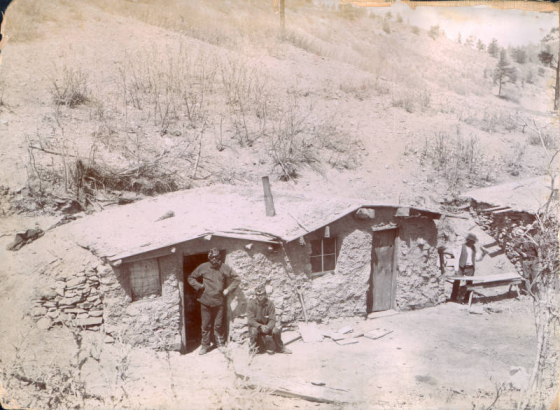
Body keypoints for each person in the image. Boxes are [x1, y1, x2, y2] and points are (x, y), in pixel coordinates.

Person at [187, 248, 240, 355]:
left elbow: (237, 279)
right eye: (212, 257)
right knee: (206, 325)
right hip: (205, 302)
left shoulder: (224, 268)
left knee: (218, 325)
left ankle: (220, 344)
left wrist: (227, 290)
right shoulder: (203, 267)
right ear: (209, 258)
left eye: (216, 257)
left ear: (219, 257)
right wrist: (199, 286)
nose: (214, 259)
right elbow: (191, 278)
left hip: (219, 302)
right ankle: (205, 346)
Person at [247, 285, 291, 355]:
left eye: (262, 294)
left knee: (276, 330)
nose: (260, 296)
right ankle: (252, 349)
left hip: (267, 326)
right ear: (256, 295)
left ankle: (280, 348)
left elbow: (272, 319)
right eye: (258, 295)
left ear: (265, 294)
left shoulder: (270, 304)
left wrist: (268, 327)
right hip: (257, 327)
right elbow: (250, 320)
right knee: (253, 331)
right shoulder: (251, 304)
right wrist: (260, 326)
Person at [450, 233, 487, 303]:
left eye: (474, 241)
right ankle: (453, 298)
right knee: (456, 282)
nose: (473, 243)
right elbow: (457, 258)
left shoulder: (473, 248)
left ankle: (467, 299)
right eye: (472, 241)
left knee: (470, 284)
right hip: (461, 266)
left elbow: (477, 259)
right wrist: (456, 269)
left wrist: (483, 254)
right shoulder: (461, 247)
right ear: (468, 240)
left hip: (470, 268)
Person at [513, 227, 539, 294]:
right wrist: (522, 253)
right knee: (526, 276)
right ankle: (528, 291)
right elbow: (515, 247)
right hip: (526, 260)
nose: (530, 232)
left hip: (535, 260)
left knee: (535, 275)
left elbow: (540, 249)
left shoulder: (535, 239)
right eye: (529, 231)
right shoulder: (522, 239)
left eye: (532, 230)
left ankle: (535, 291)